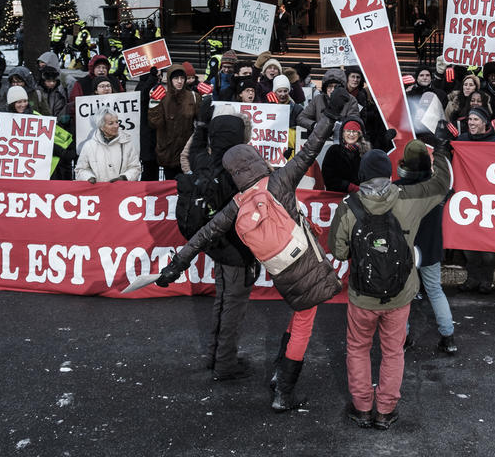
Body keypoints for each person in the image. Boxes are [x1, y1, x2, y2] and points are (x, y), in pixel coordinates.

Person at [155, 87, 351, 412]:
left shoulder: (236, 204)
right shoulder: (280, 180)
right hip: (307, 262)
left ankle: (279, 377)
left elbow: (204, 234)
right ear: (255, 158)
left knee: (300, 313)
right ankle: (283, 392)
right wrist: (330, 114)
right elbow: (311, 149)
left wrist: (175, 265)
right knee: (304, 322)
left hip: (281, 271)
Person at [330, 144, 452, 430]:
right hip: (400, 294)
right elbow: (441, 184)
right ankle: (385, 410)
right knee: (393, 351)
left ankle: (362, 408)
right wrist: (443, 150)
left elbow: (336, 250)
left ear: (362, 175)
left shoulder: (349, 205)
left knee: (358, 349)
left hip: (362, 294)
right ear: (389, 172)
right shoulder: (408, 198)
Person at [183, 109, 257, 377]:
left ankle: (216, 356)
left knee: (223, 300)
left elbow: (194, 152)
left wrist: (202, 125)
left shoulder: (208, 163)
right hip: (238, 248)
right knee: (233, 305)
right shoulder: (241, 169)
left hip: (217, 246)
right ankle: (226, 363)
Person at [400, 139, 457, 356]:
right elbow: (445, 176)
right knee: (435, 289)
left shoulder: (397, 188)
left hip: (405, 249)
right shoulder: (437, 189)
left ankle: (402, 338)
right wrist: (441, 150)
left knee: (403, 294)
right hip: (430, 247)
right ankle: (448, 337)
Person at [454, 109, 495, 293]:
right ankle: (472, 278)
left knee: (488, 246)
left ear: (485, 123)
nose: (471, 123)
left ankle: (486, 281)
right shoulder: (462, 140)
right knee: (469, 243)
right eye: (469, 119)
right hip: (467, 199)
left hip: (490, 200)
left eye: (475, 119)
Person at [148, 65, 199, 181]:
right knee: (170, 189)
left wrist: (207, 99)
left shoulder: (193, 97)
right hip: (168, 153)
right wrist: (154, 103)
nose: (180, 81)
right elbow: (154, 123)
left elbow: (201, 122)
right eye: (176, 78)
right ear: (170, 80)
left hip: (187, 154)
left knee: (188, 188)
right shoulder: (162, 97)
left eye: (182, 78)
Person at [75, 110, 141, 183]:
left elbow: (135, 167)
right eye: (111, 123)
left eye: (117, 122)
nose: (116, 126)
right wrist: (89, 177)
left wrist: (124, 178)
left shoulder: (127, 143)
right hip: (99, 191)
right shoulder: (89, 146)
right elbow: (81, 169)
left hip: (122, 190)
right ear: (101, 126)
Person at [322, 117, 368, 194]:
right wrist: (349, 187)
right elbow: (328, 178)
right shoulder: (334, 151)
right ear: (342, 133)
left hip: (361, 198)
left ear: (360, 134)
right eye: (348, 131)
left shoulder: (366, 153)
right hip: (337, 197)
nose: (351, 134)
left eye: (354, 131)